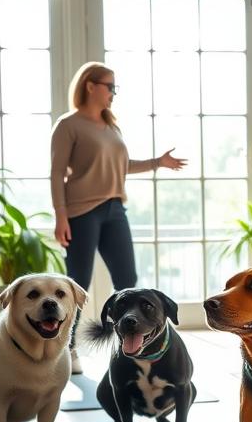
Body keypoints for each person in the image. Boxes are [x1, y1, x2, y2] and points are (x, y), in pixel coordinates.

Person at [51, 61, 186, 373]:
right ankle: (69, 349)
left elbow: (120, 165)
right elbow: (57, 173)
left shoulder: (111, 126)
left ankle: (134, 344)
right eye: (110, 86)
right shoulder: (68, 125)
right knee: (78, 286)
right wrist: (61, 216)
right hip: (81, 212)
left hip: (114, 210)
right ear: (90, 86)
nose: (113, 93)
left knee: (129, 282)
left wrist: (158, 162)